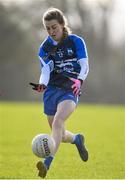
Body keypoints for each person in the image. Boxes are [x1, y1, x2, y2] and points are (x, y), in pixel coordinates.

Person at [30, 7, 89, 178]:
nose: (51, 31)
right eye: (47, 28)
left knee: (58, 122)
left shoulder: (76, 41)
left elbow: (84, 64)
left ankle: (47, 164)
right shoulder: (44, 48)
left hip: (70, 88)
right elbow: (46, 71)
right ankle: (77, 139)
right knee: (61, 134)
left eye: (54, 27)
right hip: (52, 90)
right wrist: (42, 84)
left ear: (63, 25)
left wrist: (80, 80)